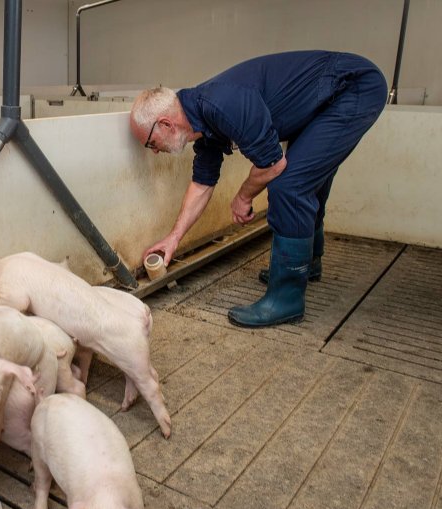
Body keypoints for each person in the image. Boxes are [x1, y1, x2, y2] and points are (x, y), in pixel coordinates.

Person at [131, 50, 387, 328]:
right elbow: (202, 183)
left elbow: (273, 166)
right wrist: (173, 239)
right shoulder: (203, 124)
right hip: (326, 100)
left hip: (352, 87)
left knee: (290, 185)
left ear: (166, 124)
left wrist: (243, 196)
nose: (155, 152)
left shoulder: (221, 104)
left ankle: (286, 298)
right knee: (305, 179)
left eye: (150, 144)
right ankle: (307, 264)